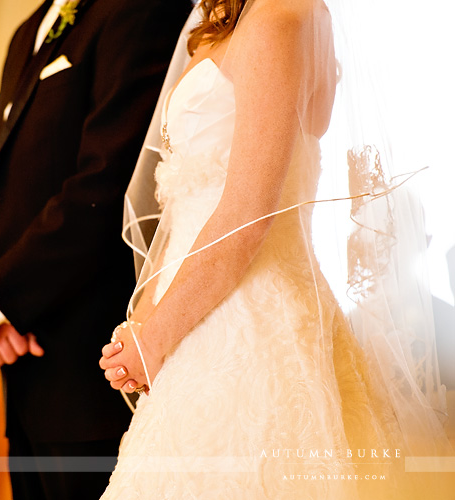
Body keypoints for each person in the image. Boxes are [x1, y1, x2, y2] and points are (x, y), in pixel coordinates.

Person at [99, 0, 454, 498]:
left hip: (246, 313)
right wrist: (147, 318)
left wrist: (154, 340)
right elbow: (183, 203)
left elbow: (245, 217)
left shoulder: (283, 16)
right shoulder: (232, 23)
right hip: (191, 308)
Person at [0, 1, 192, 499]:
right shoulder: (27, 31)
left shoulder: (137, 11)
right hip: (26, 369)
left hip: (93, 374)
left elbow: (104, 187)